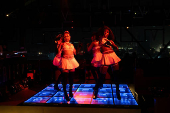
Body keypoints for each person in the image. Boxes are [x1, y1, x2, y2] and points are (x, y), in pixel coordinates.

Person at [93, 26, 121, 100]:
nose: (106, 33)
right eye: (105, 31)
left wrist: (113, 44)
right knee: (102, 76)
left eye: (107, 32)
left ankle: (117, 91)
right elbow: (103, 44)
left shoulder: (110, 41)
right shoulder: (100, 39)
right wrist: (109, 43)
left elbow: (117, 48)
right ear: (102, 32)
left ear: (109, 33)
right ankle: (96, 89)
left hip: (112, 55)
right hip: (105, 56)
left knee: (116, 75)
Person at [58, 31, 79, 101]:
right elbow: (58, 52)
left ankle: (70, 91)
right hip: (65, 60)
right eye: (65, 36)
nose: (67, 37)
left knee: (71, 78)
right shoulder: (62, 44)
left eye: (68, 36)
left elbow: (75, 53)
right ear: (64, 38)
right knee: (65, 78)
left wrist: (77, 48)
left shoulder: (72, 45)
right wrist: (59, 45)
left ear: (70, 37)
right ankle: (65, 92)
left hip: (72, 60)